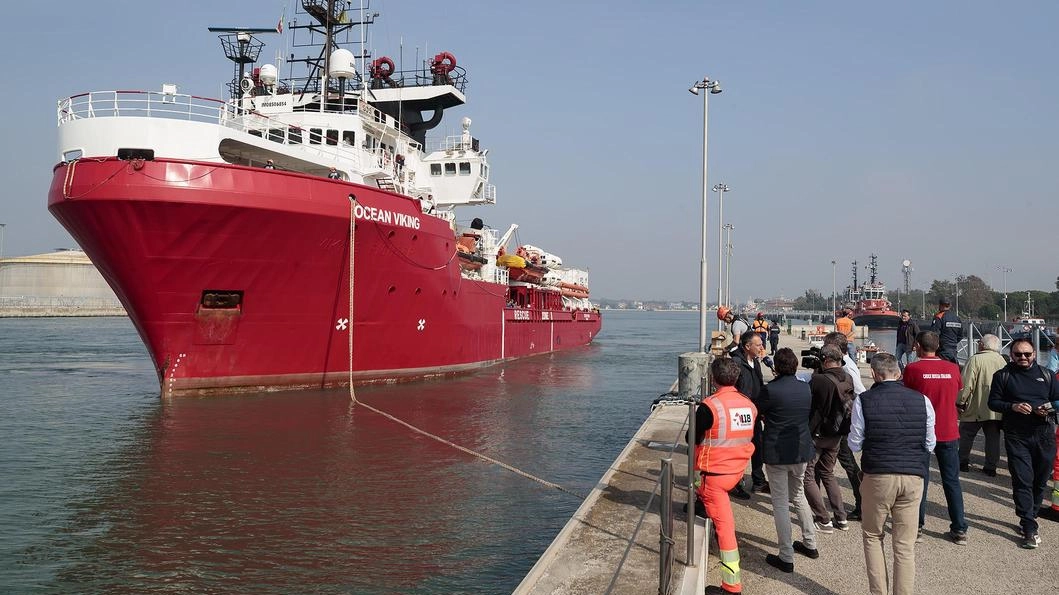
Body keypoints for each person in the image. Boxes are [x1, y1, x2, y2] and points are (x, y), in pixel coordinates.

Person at [848, 352, 936, 595]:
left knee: (873, 535)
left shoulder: (864, 400)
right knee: (905, 545)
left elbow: (855, 443)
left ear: (874, 374)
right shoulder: (922, 400)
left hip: (878, 474)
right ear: (898, 373)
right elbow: (930, 443)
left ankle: (879, 592)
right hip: (913, 475)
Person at [692, 357, 757, 595]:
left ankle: (732, 587)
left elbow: (692, 438)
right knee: (714, 505)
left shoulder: (710, 406)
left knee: (725, 529)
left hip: (715, 475)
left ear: (712, 378)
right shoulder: (749, 405)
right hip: (737, 471)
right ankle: (702, 502)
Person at [987, 338, 1059, 549]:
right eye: (1018, 354)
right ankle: (1028, 526)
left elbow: (1056, 401)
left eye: (1027, 354)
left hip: (1044, 433)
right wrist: (1013, 407)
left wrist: (1045, 410)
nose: (1023, 358)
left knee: (1040, 480)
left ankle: (1032, 513)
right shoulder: (1003, 375)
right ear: (1011, 355)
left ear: (1034, 354)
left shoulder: (1046, 375)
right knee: (1022, 479)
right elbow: (993, 402)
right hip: (1017, 435)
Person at [904, 331, 968, 544]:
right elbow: (958, 390)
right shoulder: (952, 368)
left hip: (922, 431)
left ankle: (918, 526)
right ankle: (959, 528)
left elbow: (907, 396)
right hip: (949, 430)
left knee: (921, 481)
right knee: (952, 481)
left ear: (918, 346)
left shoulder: (913, 369)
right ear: (938, 345)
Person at [758, 348, 819, 573]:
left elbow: (758, 411)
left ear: (776, 367)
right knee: (799, 495)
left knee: (781, 503)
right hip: (801, 449)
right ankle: (810, 543)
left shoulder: (770, 390)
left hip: (777, 451)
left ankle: (786, 556)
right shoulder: (805, 389)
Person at [804, 345, 852, 533]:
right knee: (827, 472)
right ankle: (841, 517)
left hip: (817, 433)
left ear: (824, 360)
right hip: (837, 433)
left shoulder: (818, 380)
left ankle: (823, 519)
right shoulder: (847, 378)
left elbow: (810, 402)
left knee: (807, 475)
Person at [823, 331, 865, 519]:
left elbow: (860, 393)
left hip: (843, 422)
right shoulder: (846, 364)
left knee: (848, 463)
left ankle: (862, 504)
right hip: (841, 420)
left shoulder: (847, 368)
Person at [957, 334, 1006, 476]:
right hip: (995, 409)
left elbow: (966, 384)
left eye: (979, 342)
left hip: (976, 405)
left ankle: (963, 462)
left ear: (982, 345)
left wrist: (960, 402)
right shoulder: (1002, 360)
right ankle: (991, 467)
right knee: (993, 438)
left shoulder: (975, 359)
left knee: (966, 434)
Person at [731, 331, 769, 496]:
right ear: (747, 346)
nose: (762, 347)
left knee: (758, 446)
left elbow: (759, 385)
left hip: (755, 412)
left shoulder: (756, 362)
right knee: (739, 450)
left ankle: (759, 481)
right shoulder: (736, 362)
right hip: (740, 414)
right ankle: (735, 482)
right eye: (758, 345)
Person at [930, 297, 963, 365]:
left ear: (940, 305)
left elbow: (934, 335)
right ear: (950, 306)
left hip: (942, 350)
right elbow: (960, 336)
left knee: (941, 370)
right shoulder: (957, 318)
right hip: (953, 350)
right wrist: (952, 343)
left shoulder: (939, 317)